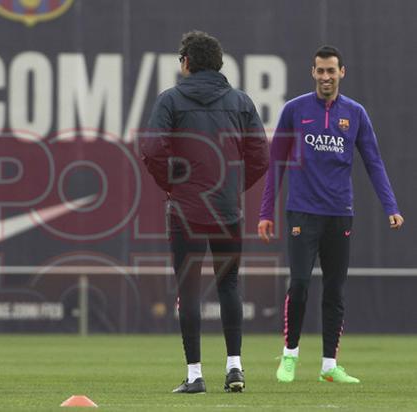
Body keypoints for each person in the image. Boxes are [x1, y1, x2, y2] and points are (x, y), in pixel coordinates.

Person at [258, 45, 404, 384]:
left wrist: (391, 206)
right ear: (313, 72)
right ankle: (290, 355)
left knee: (335, 290)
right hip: (302, 213)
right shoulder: (295, 110)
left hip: (340, 214)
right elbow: (276, 163)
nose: (326, 77)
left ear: (342, 72)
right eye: (320, 71)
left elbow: (374, 163)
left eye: (331, 71)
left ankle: (328, 366)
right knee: (300, 283)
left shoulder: (355, 113)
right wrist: (266, 212)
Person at [142, 30, 269, 393]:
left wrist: (173, 183)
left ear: (186, 63)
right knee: (229, 284)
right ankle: (235, 368)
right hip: (227, 211)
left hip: (185, 211)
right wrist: (231, 187)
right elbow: (260, 157)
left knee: (190, 289)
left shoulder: (170, 100)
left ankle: (195, 375)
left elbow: (152, 150)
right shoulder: (241, 101)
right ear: (219, 64)